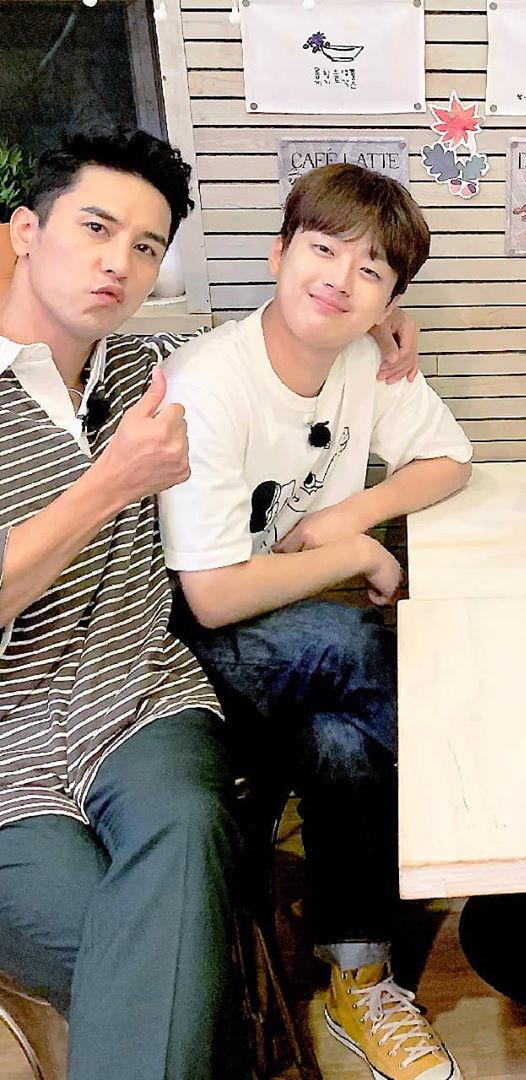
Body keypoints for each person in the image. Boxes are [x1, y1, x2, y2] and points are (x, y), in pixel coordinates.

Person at [158, 163, 473, 1080]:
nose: (339, 279)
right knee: (358, 642)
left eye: (370, 270)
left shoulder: (365, 362)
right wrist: (357, 555)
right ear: (278, 253)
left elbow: (448, 458)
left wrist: (346, 516)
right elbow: (211, 598)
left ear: (390, 300)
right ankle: (497, 810)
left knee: (342, 742)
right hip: (197, 652)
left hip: (300, 641)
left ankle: (357, 980)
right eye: (323, 250)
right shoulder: (211, 383)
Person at [0, 128, 245, 1079]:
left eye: (146, 246)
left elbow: (279, 339)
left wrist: (379, 329)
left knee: (185, 830)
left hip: (138, 699)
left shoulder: (152, 368)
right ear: (26, 231)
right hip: (7, 755)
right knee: (166, 965)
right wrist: (111, 483)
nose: (119, 263)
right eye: (96, 228)